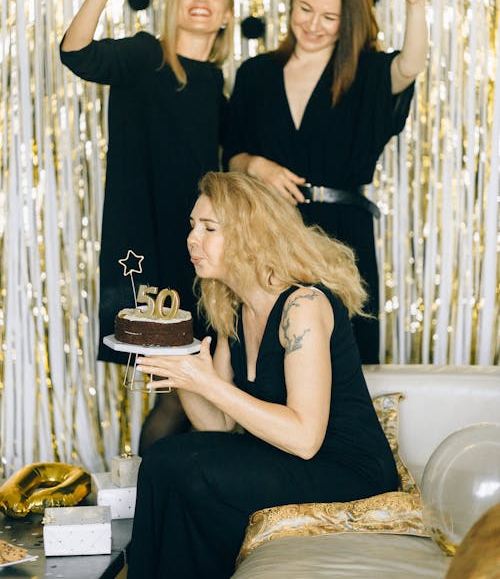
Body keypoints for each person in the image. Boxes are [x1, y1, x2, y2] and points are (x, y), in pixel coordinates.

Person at [127, 171, 399, 579]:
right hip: (287, 460)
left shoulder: (303, 304)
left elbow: (305, 439)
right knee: (164, 457)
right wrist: (181, 371)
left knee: (184, 470)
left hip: (345, 470)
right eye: (192, 226)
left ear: (249, 236)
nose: (192, 239)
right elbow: (217, 424)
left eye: (209, 228)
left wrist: (209, 383)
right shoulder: (231, 306)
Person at [60, 0, 234, 451]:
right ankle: (150, 509)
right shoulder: (145, 54)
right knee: (176, 393)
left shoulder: (218, 83)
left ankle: (160, 506)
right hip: (146, 250)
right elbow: (76, 54)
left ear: (226, 15)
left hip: (200, 255)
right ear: (173, 2)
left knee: (189, 392)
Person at [223, 0, 431, 364]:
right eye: (305, 9)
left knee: (342, 359)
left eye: (329, 17)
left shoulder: (367, 71)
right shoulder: (255, 73)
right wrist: (254, 165)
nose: (313, 25)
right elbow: (230, 157)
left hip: (341, 239)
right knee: (267, 359)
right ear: (293, 1)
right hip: (269, 232)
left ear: (348, 20)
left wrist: (415, 2)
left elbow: (410, 66)